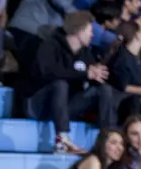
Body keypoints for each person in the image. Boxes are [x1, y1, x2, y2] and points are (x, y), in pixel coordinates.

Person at [29, 10, 116, 155]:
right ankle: (61, 140)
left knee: (104, 89)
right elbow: (47, 72)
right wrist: (84, 73)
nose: (92, 35)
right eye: (90, 30)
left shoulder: (85, 53)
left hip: (67, 107)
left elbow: (90, 75)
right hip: (41, 104)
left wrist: (97, 74)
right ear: (79, 30)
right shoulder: (50, 45)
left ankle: (106, 138)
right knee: (60, 84)